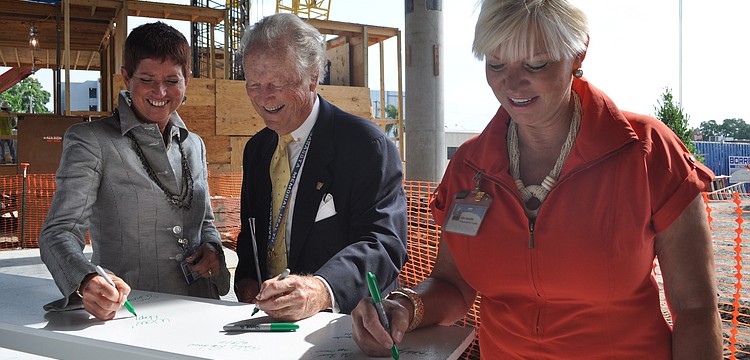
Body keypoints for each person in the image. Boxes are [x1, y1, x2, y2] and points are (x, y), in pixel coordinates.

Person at [352, 0, 722, 358]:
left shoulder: (648, 152)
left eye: (536, 63)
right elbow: (453, 285)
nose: (512, 83)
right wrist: (405, 306)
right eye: (496, 64)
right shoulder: (469, 167)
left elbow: (695, 308)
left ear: (578, 54)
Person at [39, 22, 230, 321]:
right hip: (129, 313)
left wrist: (211, 249)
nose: (160, 91)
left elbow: (204, 221)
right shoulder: (91, 141)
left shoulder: (194, 145)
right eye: (147, 79)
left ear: (187, 80)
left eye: (172, 79)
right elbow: (59, 232)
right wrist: (86, 280)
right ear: (126, 77)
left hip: (201, 309)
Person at [234, 13, 408, 322]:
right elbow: (252, 231)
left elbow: (384, 244)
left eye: (277, 83)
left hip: (346, 327)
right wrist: (247, 281)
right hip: (269, 326)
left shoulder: (365, 146)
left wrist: (321, 290)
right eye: (253, 85)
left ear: (313, 77)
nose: (264, 98)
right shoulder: (257, 150)